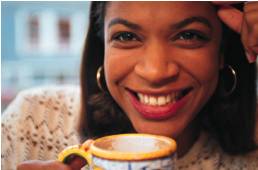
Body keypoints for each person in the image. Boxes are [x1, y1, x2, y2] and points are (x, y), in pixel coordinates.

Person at [2, 2, 258, 170]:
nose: (156, 72)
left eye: (188, 36)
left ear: (222, 52)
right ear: (102, 47)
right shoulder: (32, 118)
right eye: (126, 36)